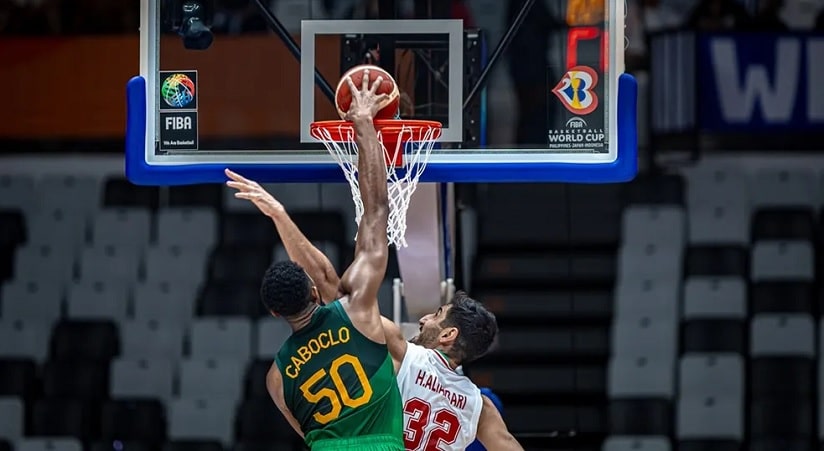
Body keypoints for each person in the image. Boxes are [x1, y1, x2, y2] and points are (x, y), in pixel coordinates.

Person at [226, 177, 523, 449]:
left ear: (448, 335)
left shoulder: (403, 352)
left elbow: (328, 284)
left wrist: (279, 215)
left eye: (436, 314)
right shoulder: (479, 407)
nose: (423, 318)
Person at [228, 70, 404, 451]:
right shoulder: (356, 311)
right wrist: (364, 124)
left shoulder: (276, 377)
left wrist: (278, 216)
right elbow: (375, 211)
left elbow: (307, 435)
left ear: (275, 313)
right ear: (311, 290)